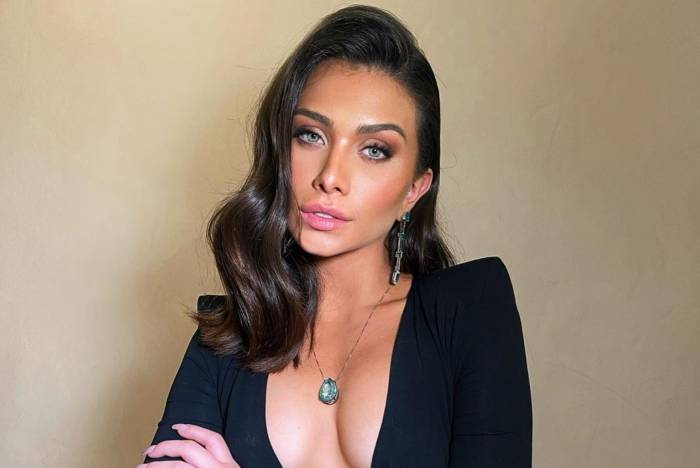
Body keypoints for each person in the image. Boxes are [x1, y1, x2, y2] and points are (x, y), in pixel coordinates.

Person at [140, 4, 532, 467]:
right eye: (311, 135)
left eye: (374, 150)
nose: (330, 177)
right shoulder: (227, 335)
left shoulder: (468, 314)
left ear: (414, 189)